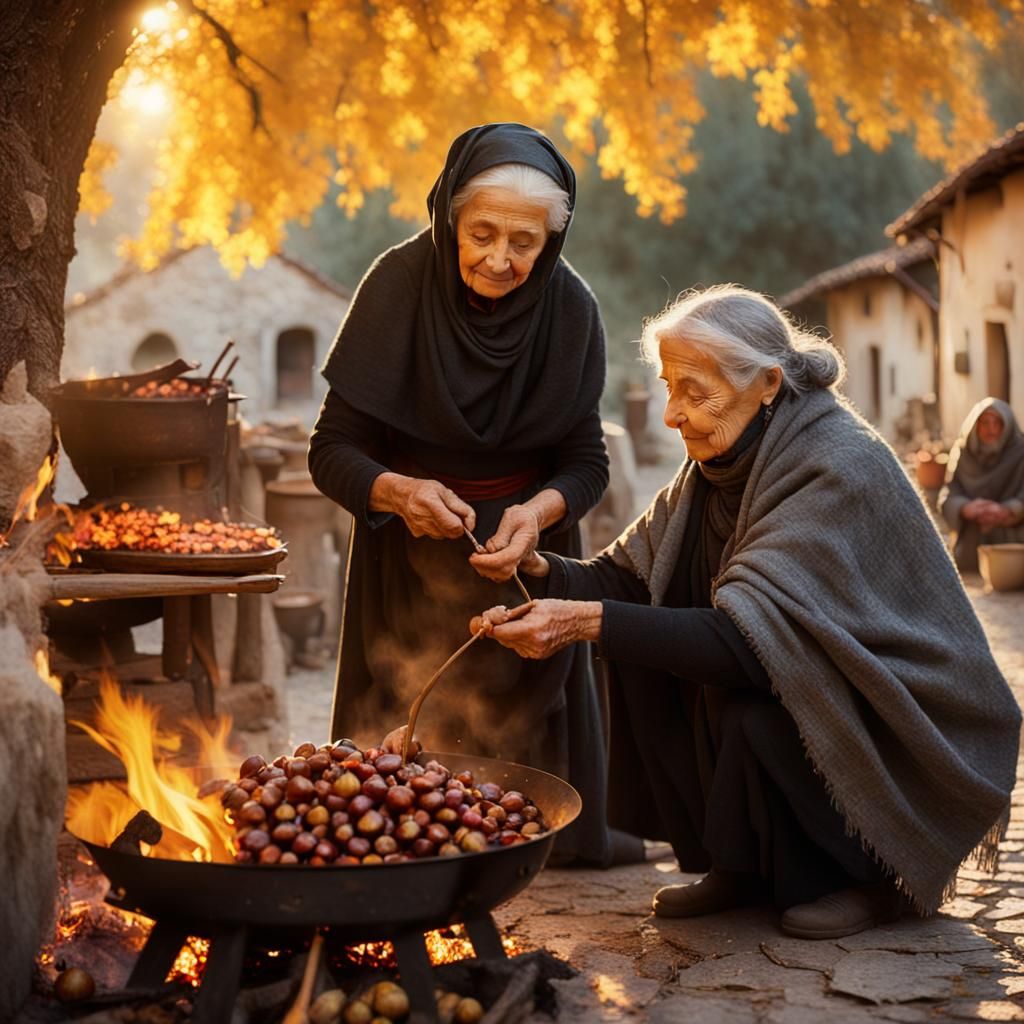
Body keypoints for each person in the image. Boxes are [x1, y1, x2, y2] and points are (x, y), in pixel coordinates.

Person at [471, 285, 1020, 938]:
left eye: (694, 391)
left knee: (760, 711)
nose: (674, 414)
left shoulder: (837, 464)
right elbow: (625, 578)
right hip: (795, 675)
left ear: (766, 382)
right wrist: (539, 569)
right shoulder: (717, 465)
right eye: (669, 387)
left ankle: (876, 881)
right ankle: (744, 870)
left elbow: (750, 644)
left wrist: (584, 623)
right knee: (704, 679)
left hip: (902, 708)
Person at [309, 123, 619, 864]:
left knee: (533, 816)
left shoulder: (571, 311)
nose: (500, 259)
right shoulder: (396, 285)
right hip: (407, 562)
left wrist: (539, 513)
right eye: (481, 234)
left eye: (524, 243)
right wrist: (395, 491)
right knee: (389, 806)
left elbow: (586, 460)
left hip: (523, 562)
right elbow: (330, 452)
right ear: (450, 216)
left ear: (550, 244)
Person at [939, 397, 1024, 572]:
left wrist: (1008, 510)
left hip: (1014, 543)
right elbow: (948, 493)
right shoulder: (963, 453)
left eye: (997, 423)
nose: (991, 429)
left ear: (1007, 426)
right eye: (985, 422)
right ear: (975, 425)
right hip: (971, 546)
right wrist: (965, 508)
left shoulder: (1020, 453)